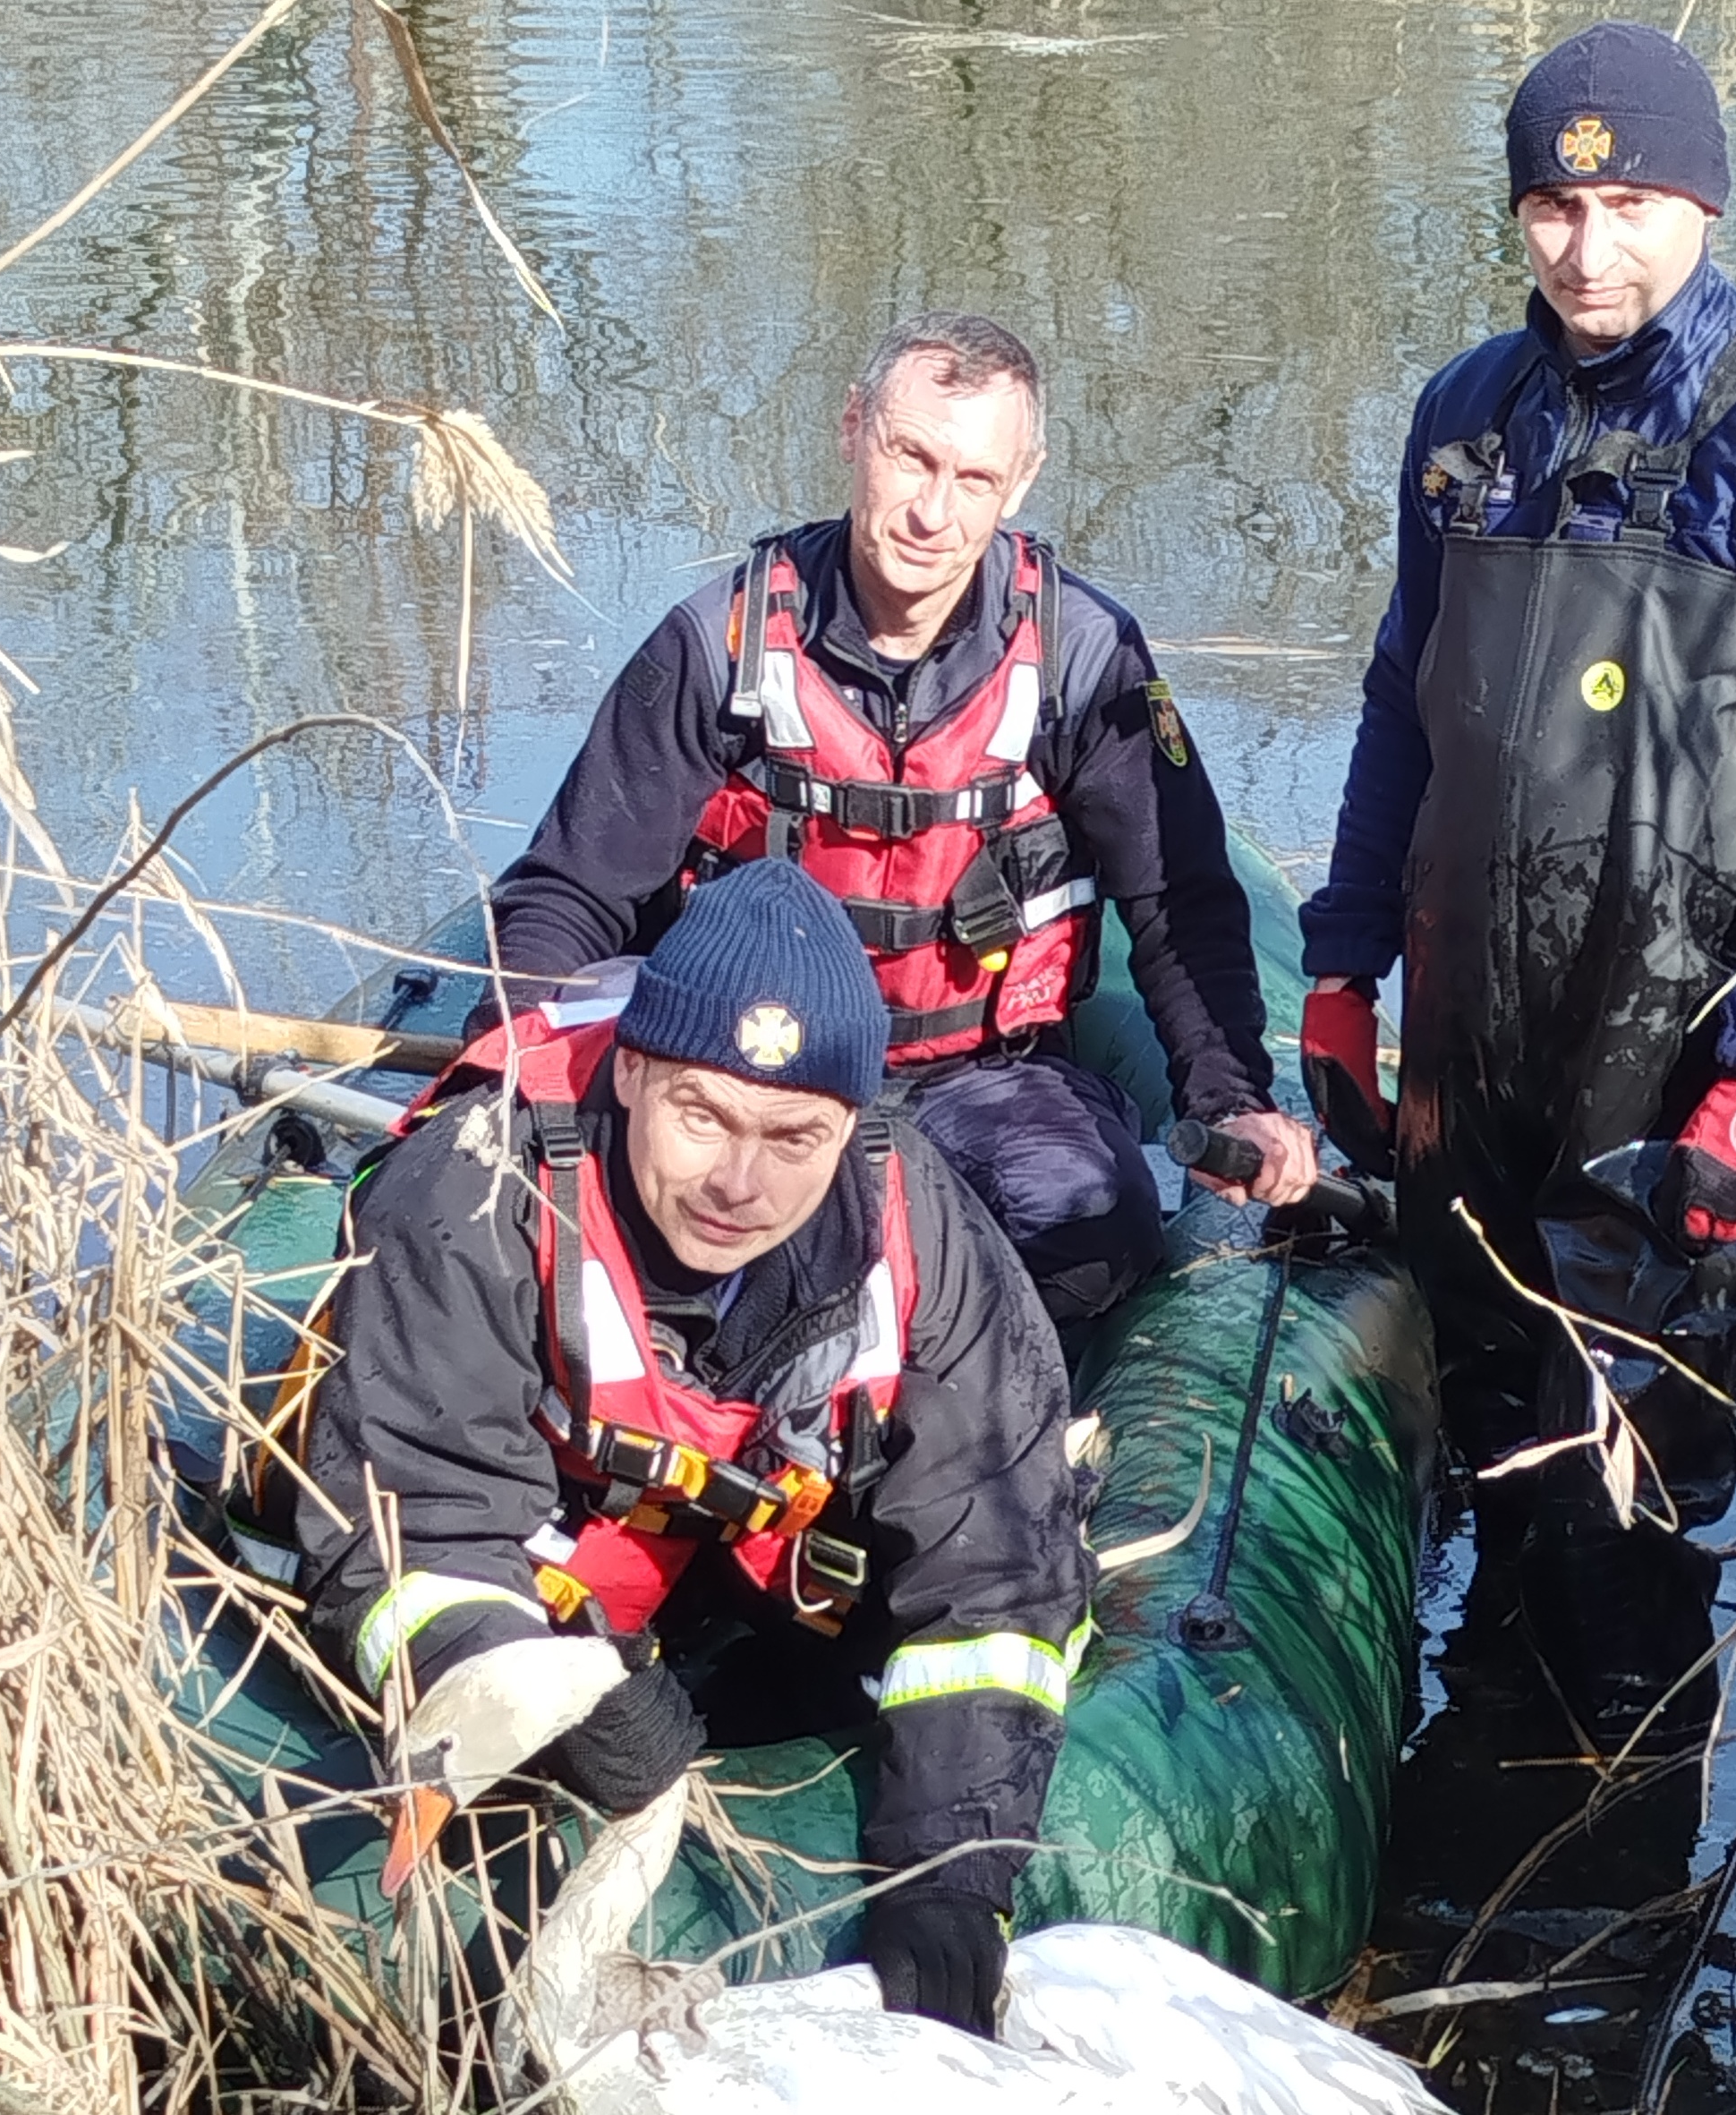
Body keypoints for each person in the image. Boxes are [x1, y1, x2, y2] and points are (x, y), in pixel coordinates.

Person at [1296, 22, 1736, 1734]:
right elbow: (1400, 700)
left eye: (1635, 202)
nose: (1592, 251)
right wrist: (1344, 964)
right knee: (1497, 1451)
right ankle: (1469, 1841)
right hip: (1471, 1046)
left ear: (1707, 205)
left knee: (1621, 1494)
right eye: (1554, 205)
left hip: (1674, 1064)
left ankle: (1614, 1903)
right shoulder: (1466, 416)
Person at [292, 860, 1092, 2036]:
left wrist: (956, 1870)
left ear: (855, 1124)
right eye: (701, 1113)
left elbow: (1002, 1570)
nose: (738, 1181)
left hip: (778, 1567)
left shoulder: (918, 1223)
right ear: (630, 1072)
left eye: (792, 1134)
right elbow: (407, 1530)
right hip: (558, 1576)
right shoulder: (474, 1194)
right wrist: (552, 1693)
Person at [481, 311, 1316, 1326]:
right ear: (853, 430)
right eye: (910, 457)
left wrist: (1229, 1096)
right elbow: (573, 889)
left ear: (1021, 480)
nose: (933, 512)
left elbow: (1176, 898)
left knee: (1091, 1223)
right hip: (747, 1074)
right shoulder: (722, 643)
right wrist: (510, 1071)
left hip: (981, 1077)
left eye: (973, 479)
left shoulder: (1085, 658)